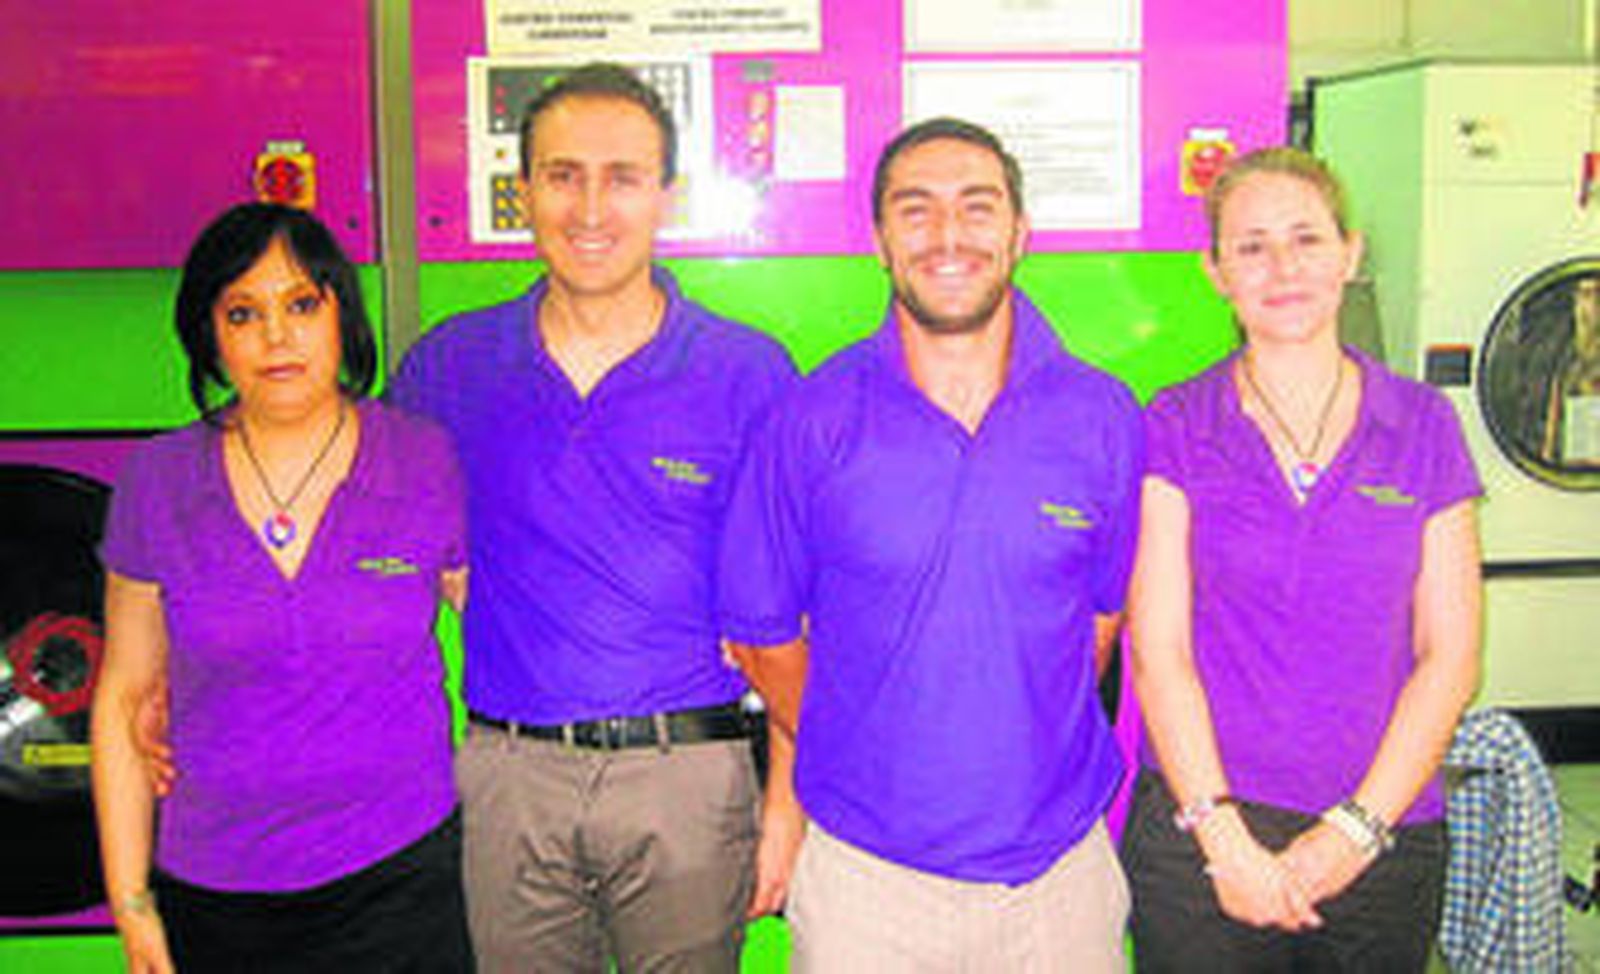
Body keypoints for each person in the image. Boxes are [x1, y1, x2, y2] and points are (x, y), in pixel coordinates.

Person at [388, 62, 799, 972]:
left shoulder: (749, 376)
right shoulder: (448, 369)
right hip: (509, 774)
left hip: (688, 775)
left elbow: (790, 612)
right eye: (563, 175)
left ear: (667, 196)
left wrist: (784, 807)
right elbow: (383, 550)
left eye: (623, 178)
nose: (590, 208)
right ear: (522, 190)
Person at [718, 117, 1141, 971]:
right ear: (879, 241)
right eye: (916, 211)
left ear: (1020, 233)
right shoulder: (810, 421)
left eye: (977, 208)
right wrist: (869, 737)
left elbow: (1099, 623)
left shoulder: (1102, 416)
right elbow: (758, 636)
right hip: (865, 885)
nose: (949, 235)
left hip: (1059, 876)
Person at [1121, 146, 1482, 971]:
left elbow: (1449, 653)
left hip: (1384, 834)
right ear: (1216, 272)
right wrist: (1224, 841)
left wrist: (1354, 832)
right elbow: (1161, 651)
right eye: (1251, 246)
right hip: (1201, 835)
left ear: (1350, 254)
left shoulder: (1423, 425)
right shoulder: (1176, 423)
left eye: (1306, 240)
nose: (1282, 268)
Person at [91, 203, 471, 973]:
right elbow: (124, 697)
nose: (276, 335)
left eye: (301, 304)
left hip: (401, 879)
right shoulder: (159, 480)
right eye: (243, 312)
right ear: (212, 336)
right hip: (217, 892)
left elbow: (506, 628)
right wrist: (132, 907)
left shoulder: (421, 459)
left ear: (342, 316)